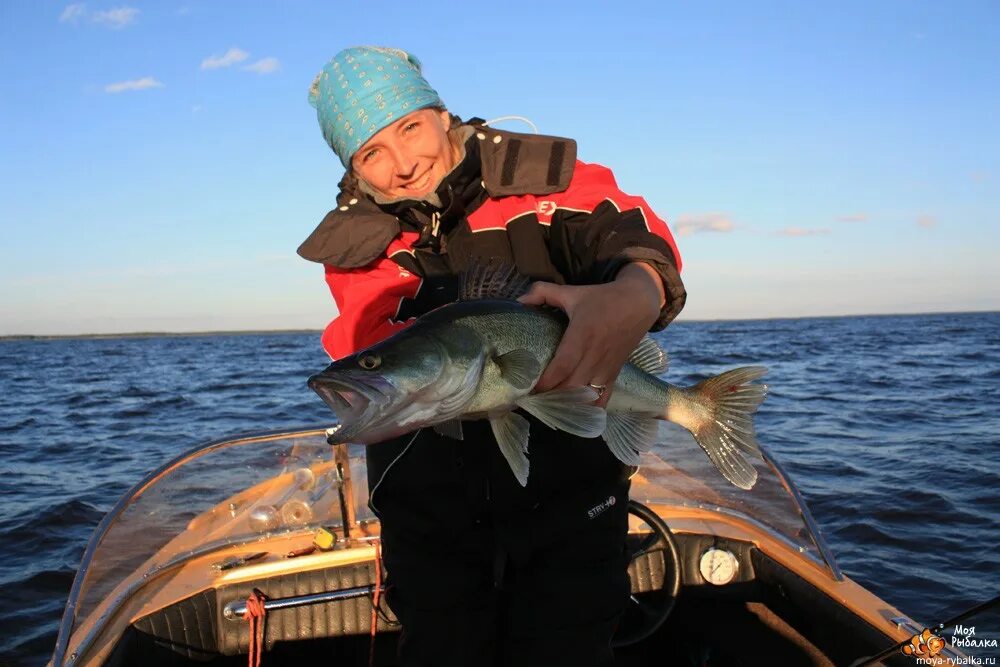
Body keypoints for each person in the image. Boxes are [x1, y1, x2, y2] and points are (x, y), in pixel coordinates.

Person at [299, 46, 686, 667]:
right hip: (431, 519)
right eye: (371, 152)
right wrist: (378, 375)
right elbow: (366, 337)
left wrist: (639, 287)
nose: (402, 164)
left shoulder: (546, 183)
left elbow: (626, 227)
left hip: (573, 504)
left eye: (409, 127)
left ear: (441, 115)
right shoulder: (358, 248)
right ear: (353, 167)